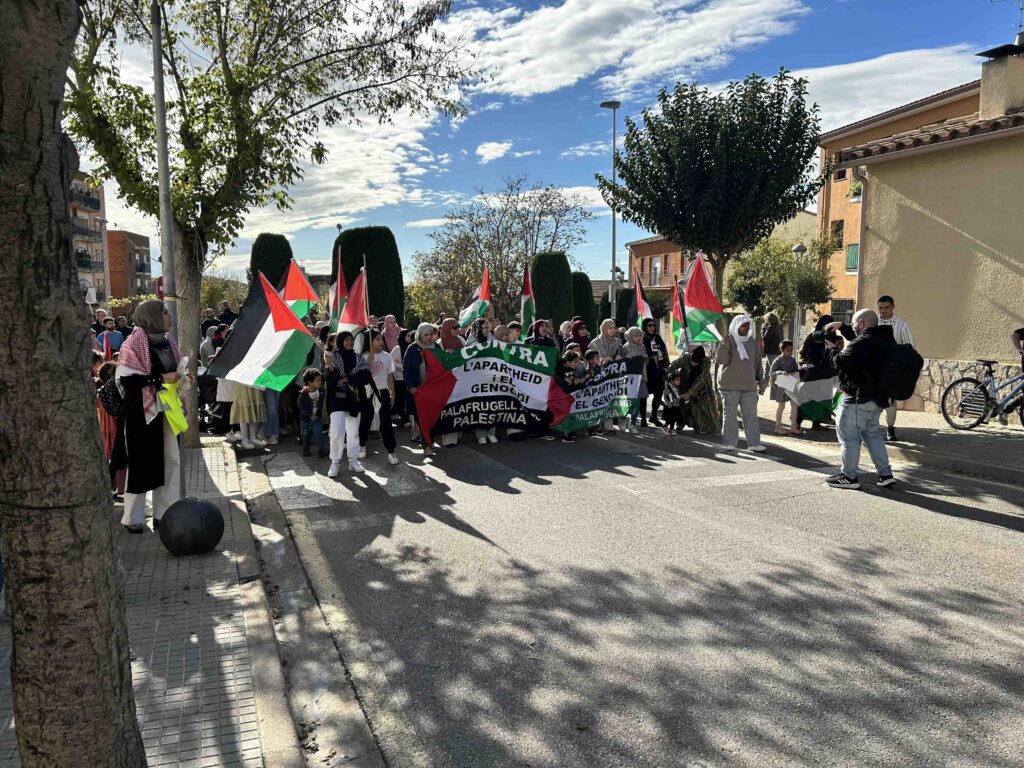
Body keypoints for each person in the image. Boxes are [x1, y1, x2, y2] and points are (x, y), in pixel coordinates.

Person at [115, 300, 183, 533]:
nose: (169, 316)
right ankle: (133, 518)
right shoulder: (132, 344)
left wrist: (182, 377)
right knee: (141, 466)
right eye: (164, 313)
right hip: (140, 415)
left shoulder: (168, 342)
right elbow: (127, 381)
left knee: (171, 460)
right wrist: (162, 379)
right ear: (151, 317)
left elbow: (172, 372)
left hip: (166, 411)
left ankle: (166, 514)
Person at [823, 309, 895, 489]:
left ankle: (849, 477)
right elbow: (858, 341)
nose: (853, 327)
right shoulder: (884, 339)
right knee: (872, 435)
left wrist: (832, 349)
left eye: (854, 323)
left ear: (862, 323)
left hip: (857, 398)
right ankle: (885, 474)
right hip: (876, 399)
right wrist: (842, 327)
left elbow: (841, 361)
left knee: (849, 438)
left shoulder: (863, 343)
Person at [717, 314, 764, 451]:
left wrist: (761, 381)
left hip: (749, 385)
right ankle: (730, 443)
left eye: (748, 325)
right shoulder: (728, 340)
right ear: (736, 326)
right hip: (729, 385)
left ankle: (754, 443)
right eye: (744, 325)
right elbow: (722, 360)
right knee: (730, 415)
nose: (746, 328)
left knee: (751, 416)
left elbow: (757, 363)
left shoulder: (751, 342)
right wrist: (724, 345)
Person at [326, 331, 368, 475]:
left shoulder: (359, 358)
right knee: (337, 431)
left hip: (355, 399)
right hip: (337, 400)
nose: (349, 342)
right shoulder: (333, 358)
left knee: (353, 432)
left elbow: (364, 377)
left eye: (351, 339)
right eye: (346, 339)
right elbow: (330, 381)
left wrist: (348, 379)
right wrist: (331, 369)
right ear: (340, 342)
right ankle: (335, 462)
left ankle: (353, 461)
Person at [876, 295, 915, 441]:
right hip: (875, 368)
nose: (883, 311)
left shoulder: (902, 324)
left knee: (891, 402)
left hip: (892, 370)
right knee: (873, 400)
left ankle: (890, 429)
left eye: (886, 307)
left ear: (892, 307)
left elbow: (910, 346)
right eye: (880, 308)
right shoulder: (874, 323)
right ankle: (871, 428)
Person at [360, 331, 400, 465]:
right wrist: (367, 363)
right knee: (365, 420)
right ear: (370, 341)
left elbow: (390, 376)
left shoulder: (387, 356)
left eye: (381, 339)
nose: (381, 342)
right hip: (367, 393)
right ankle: (362, 445)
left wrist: (392, 394)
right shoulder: (362, 357)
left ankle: (391, 451)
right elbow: (359, 377)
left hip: (382, 392)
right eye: (377, 339)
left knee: (386, 423)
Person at [404, 323, 438, 454]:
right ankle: (427, 445)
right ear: (419, 335)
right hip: (418, 391)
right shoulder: (412, 349)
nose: (429, 338)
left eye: (431, 334)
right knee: (422, 418)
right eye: (426, 335)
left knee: (432, 417)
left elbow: (443, 364)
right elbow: (406, 370)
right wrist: (411, 386)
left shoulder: (436, 347)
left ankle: (430, 440)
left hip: (433, 390)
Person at [799, 314, 838, 430]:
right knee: (807, 398)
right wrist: (804, 364)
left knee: (822, 399)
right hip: (812, 373)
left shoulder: (832, 337)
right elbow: (802, 353)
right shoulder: (812, 337)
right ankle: (797, 423)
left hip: (826, 373)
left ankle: (816, 423)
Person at [96, 360, 126, 503]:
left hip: (106, 432)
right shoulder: (113, 392)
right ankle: (121, 493)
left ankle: (113, 490)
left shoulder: (101, 393)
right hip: (115, 431)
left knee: (113, 462)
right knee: (121, 463)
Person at [678, 347, 719, 434]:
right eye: (692, 361)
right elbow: (675, 364)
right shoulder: (687, 358)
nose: (693, 363)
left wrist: (690, 393)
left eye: (695, 362)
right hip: (689, 386)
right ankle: (698, 426)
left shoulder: (706, 362)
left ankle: (713, 427)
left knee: (708, 410)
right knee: (694, 409)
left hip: (703, 389)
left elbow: (701, 380)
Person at [768, 340, 801, 436]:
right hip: (781, 385)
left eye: (791, 350)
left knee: (794, 405)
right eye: (788, 350)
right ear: (782, 350)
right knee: (781, 406)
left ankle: (793, 426)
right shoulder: (777, 360)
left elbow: (795, 371)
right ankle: (778, 426)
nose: (790, 352)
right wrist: (780, 372)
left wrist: (801, 369)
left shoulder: (792, 359)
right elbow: (771, 373)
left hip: (792, 384)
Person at [641, 318, 668, 426]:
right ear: (645, 327)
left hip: (658, 371)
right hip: (647, 371)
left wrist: (666, 366)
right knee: (643, 395)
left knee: (658, 394)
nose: (652, 327)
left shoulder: (657, 338)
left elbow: (664, 352)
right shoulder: (642, 338)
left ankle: (654, 416)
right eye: (649, 325)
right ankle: (643, 418)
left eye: (653, 325)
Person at [622, 327, 649, 432]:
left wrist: (644, 357)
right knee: (627, 400)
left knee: (637, 401)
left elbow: (645, 363)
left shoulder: (642, 347)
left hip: (640, 378)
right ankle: (623, 418)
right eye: (636, 336)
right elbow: (624, 363)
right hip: (628, 379)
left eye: (640, 335)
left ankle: (632, 423)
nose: (638, 338)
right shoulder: (625, 347)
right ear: (630, 336)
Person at [298, 369, 328, 458]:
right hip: (306, 420)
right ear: (310, 382)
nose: (320, 382)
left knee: (319, 434)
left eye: (320, 380)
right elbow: (301, 406)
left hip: (317, 419)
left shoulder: (321, 391)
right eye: (317, 380)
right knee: (305, 436)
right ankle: (306, 449)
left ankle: (321, 450)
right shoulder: (303, 394)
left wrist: (316, 416)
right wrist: (309, 415)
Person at [391, 329, 414, 426]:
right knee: (401, 399)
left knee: (408, 399)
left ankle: (407, 417)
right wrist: (401, 366)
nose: (409, 337)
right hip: (399, 378)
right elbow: (391, 362)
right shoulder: (397, 349)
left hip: (408, 378)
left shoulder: (412, 347)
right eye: (407, 336)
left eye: (410, 335)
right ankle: (403, 419)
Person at [761, 313, 783, 392]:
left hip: (771, 352)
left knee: (773, 371)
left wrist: (763, 329)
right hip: (776, 351)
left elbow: (765, 339)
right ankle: (762, 387)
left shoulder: (770, 327)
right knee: (767, 370)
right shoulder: (778, 326)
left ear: (768, 319)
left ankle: (785, 388)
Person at [661, 370, 684, 434]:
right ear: (672, 381)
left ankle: (668, 427)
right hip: (672, 406)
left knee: (673, 418)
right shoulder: (669, 388)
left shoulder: (675, 387)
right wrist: (682, 397)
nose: (679, 381)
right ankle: (669, 428)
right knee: (672, 418)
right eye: (677, 380)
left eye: (679, 380)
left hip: (676, 405)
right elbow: (669, 397)